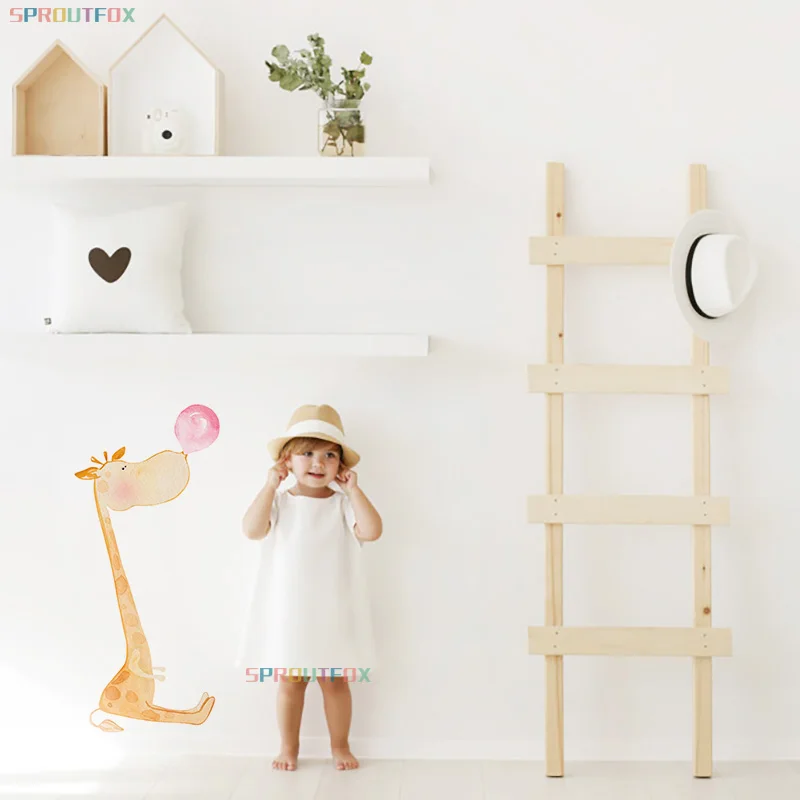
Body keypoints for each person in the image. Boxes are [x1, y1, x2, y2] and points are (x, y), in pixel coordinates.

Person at [241, 404, 381, 771]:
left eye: (329, 456)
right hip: (291, 612)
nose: (318, 463)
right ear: (287, 460)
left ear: (341, 466)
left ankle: (340, 745)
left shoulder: (342, 505)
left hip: (333, 611)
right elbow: (252, 530)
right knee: (291, 683)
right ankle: (288, 747)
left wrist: (354, 491)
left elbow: (371, 531)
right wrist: (270, 485)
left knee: (335, 683)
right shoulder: (280, 503)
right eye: (307, 453)